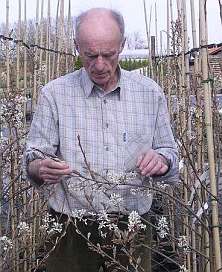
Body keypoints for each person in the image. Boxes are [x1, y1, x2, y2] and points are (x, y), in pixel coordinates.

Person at [24, 7, 178, 272]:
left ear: (122, 45)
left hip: (133, 226)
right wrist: (40, 168)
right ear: (76, 46)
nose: (99, 65)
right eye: (90, 55)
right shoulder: (54, 94)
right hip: (71, 228)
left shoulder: (149, 93)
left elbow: (169, 154)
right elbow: (33, 158)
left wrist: (161, 160)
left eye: (108, 54)